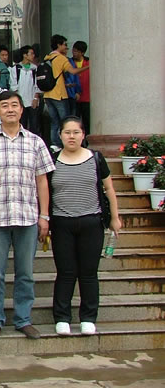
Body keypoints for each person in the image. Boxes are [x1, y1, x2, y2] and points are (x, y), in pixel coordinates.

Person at [0, 91, 54, 341]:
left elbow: (42, 181)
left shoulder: (35, 142)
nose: (10, 109)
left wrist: (44, 215)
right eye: (5, 106)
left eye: (14, 105)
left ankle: (23, 319)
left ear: (21, 110)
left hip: (27, 216)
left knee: (25, 273)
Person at [48, 116, 121, 336]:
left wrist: (115, 217)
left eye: (76, 132)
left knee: (89, 273)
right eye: (67, 132)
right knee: (65, 272)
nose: (71, 136)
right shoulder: (52, 160)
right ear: (60, 135)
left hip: (92, 222)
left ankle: (88, 317)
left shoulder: (96, 158)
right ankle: (62, 317)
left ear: (83, 135)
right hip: (62, 223)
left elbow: (109, 189)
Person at [42, 34, 89, 151]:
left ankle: (55, 145)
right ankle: (65, 143)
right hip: (59, 94)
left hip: (48, 94)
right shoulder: (61, 58)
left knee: (54, 121)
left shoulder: (47, 57)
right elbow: (73, 71)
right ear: (59, 45)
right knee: (65, 121)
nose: (66, 47)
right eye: (64, 45)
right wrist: (88, 66)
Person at [10, 45, 41, 135]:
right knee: (21, 124)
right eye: (31, 53)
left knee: (34, 125)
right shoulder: (16, 68)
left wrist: (36, 98)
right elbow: (13, 86)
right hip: (20, 101)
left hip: (32, 100)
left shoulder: (35, 68)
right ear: (25, 55)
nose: (33, 56)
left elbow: (37, 85)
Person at [71, 41, 91, 134]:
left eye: (76, 51)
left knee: (87, 122)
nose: (74, 53)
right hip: (74, 97)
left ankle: (87, 139)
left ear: (82, 52)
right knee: (75, 122)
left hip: (87, 97)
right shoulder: (69, 62)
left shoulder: (89, 62)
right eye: (73, 50)